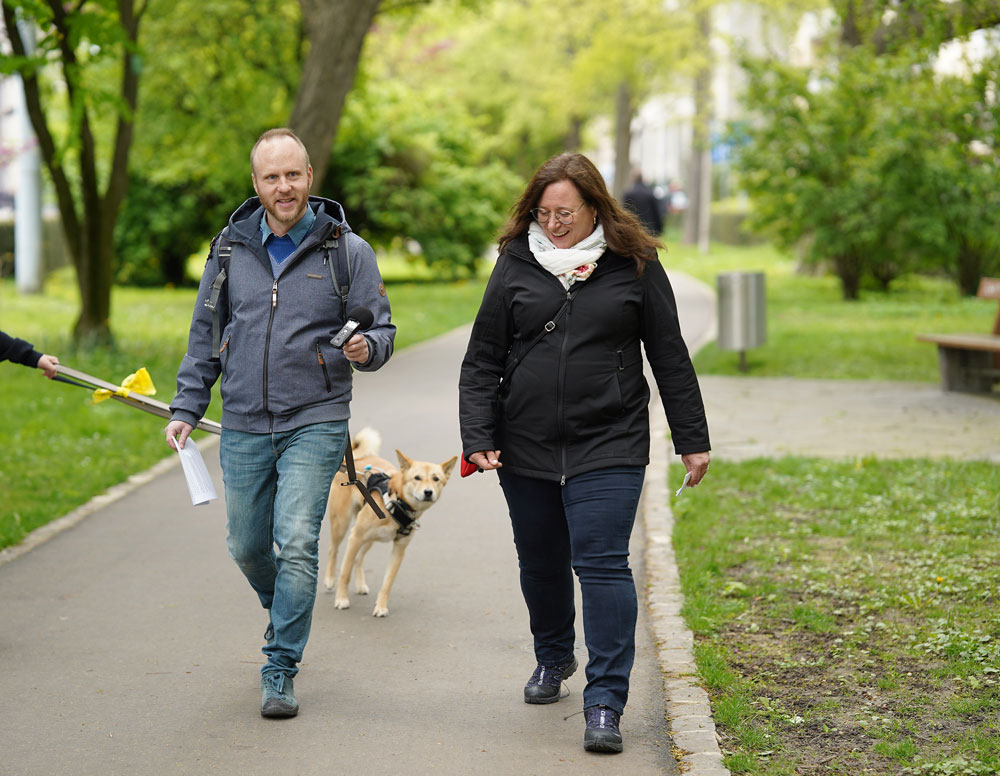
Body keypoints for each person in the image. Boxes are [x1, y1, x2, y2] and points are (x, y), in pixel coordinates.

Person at [459, 153, 710, 754]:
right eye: (542, 214)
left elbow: (669, 354)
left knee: (601, 564)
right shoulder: (516, 261)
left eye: (564, 213)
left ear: (594, 206)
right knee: (541, 561)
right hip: (526, 442)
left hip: (611, 439)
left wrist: (691, 437)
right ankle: (553, 657)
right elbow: (483, 357)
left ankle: (606, 701)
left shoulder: (634, 264)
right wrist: (479, 434)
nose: (553, 224)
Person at [164, 128, 395, 719]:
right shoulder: (227, 250)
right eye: (272, 177)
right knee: (245, 544)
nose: (283, 186)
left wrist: (367, 347)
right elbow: (205, 336)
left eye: (292, 175)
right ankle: (288, 608)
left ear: (310, 177)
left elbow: (381, 329)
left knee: (296, 542)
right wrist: (188, 406)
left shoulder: (347, 251)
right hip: (242, 418)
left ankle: (280, 665)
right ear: (257, 183)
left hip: (314, 415)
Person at [622, 168, 663, 237]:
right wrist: (659, 228)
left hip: (633, 228)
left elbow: (625, 212)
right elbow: (656, 212)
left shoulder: (629, 194)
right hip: (649, 228)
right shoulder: (650, 193)